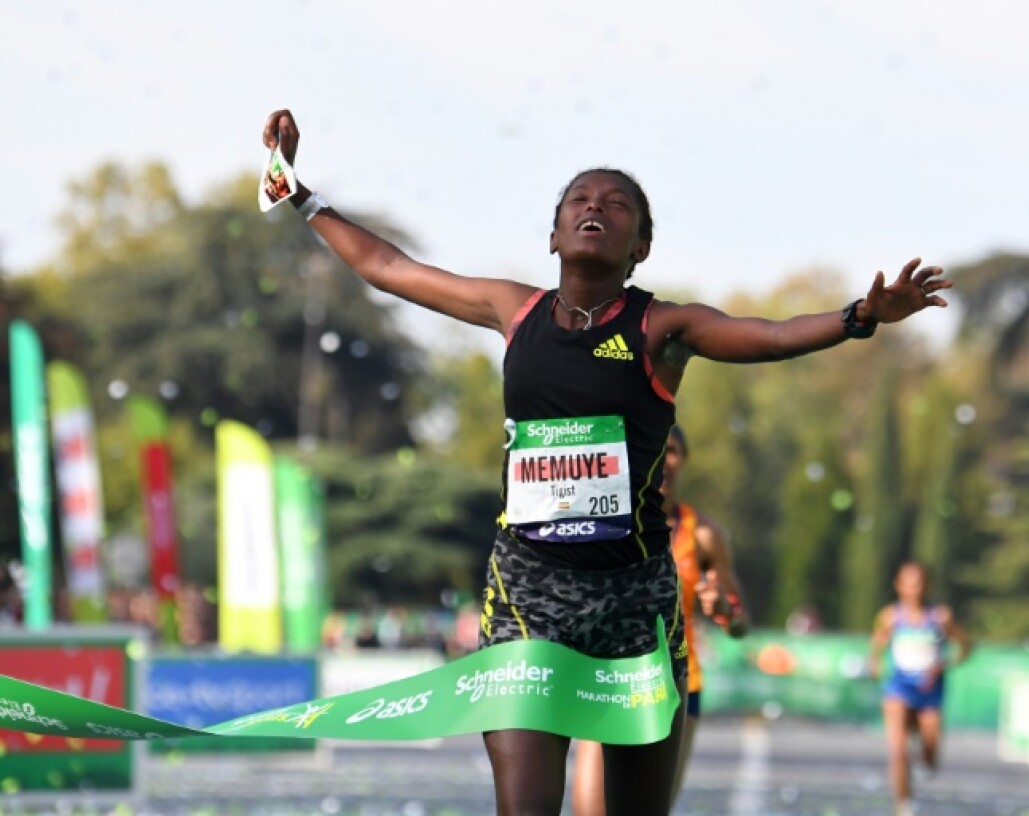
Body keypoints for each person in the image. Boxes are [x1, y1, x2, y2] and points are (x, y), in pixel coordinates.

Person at [261, 108, 951, 816]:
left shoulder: (661, 328)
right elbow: (387, 267)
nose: (596, 208)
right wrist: (299, 192)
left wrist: (857, 318)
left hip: (637, 605)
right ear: (555, 234)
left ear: (640, 246)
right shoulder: (513, 309)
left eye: (616, 204)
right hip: (528, 595)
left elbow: (770, 336)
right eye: (580, 201)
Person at [571, 425, 749, 815]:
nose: (664, 459)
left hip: (675, 687)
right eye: (656, 446)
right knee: (588, 810)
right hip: (608, 679)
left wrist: (723, 608)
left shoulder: (704, 535)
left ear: (683, 459)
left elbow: (740, 624)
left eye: (672, 450)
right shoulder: (610, 521)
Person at [867, 561, 972, 816]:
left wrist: (945, 664)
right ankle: (904, 806)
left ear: (927, 585)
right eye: (909, 583)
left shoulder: (940, 616)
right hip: (899, 687)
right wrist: (875, 665)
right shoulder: (890, 617)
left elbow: (965, 646)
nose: (915, 589)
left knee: (930, 754)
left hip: (930, 691)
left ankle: (927, 762)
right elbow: (876, 649)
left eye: (920, 583)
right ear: (899, 585)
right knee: (899, 751)